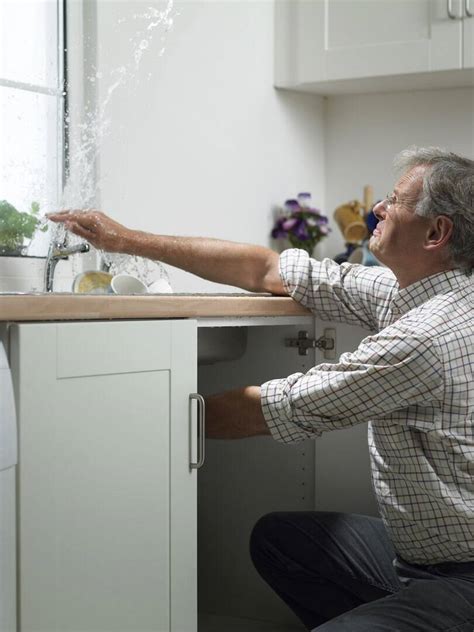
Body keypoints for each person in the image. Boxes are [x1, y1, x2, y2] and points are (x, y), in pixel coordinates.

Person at [48, 146, 474, 631]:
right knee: (281, 540)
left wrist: (135, 418)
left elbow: (277, 408)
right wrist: (127, 240)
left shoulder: (426, 337)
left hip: (462, 580)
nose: (379, 207)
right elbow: (267, 270)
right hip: (417, 563)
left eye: (395, 201)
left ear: (436, 233)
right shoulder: (415, 292)